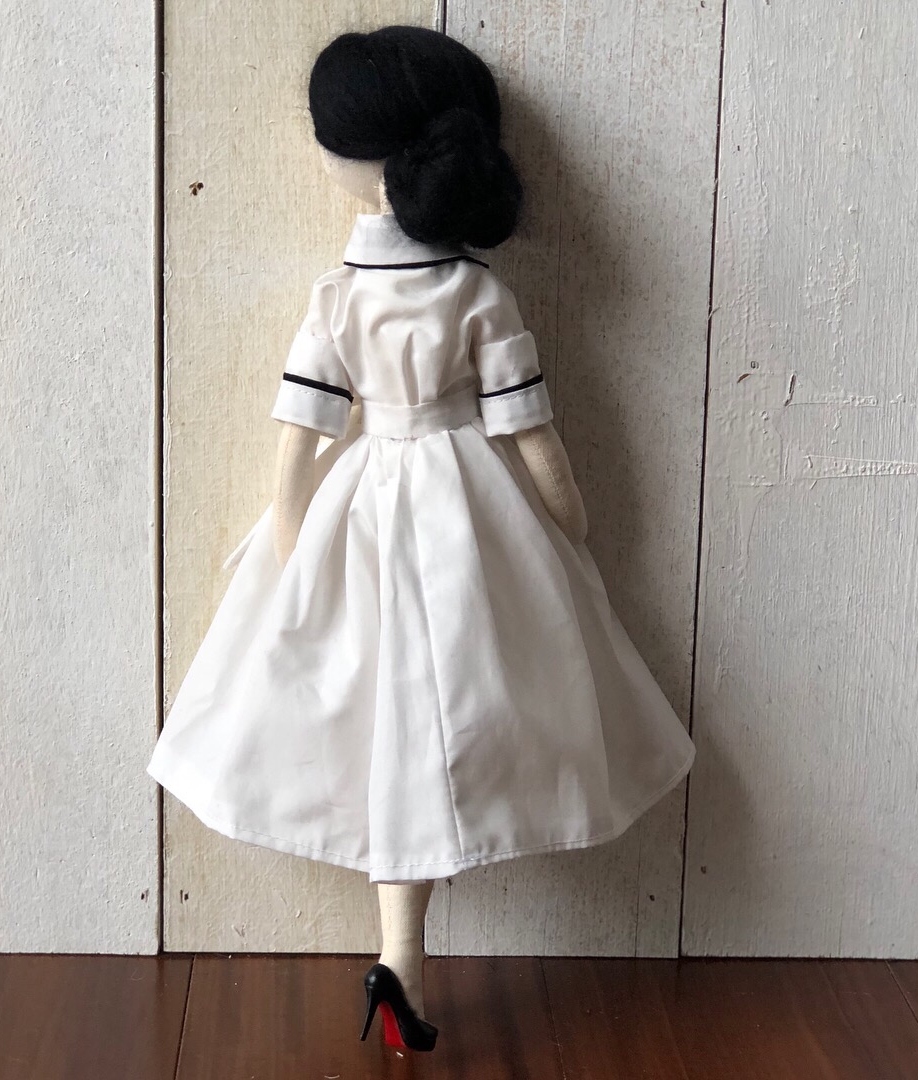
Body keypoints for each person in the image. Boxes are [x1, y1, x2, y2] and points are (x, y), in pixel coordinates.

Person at [147, 24, 695, 1053]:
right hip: (466, 504)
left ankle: (401, 958)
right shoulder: (478, 291)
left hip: (360, 498)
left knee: (379, 709)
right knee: (464, 697)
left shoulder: (341, 294)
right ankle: (401, 960)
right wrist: (570, 524)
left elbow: (302, 433)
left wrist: (291, 536)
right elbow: (529, 432)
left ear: (372, 161)